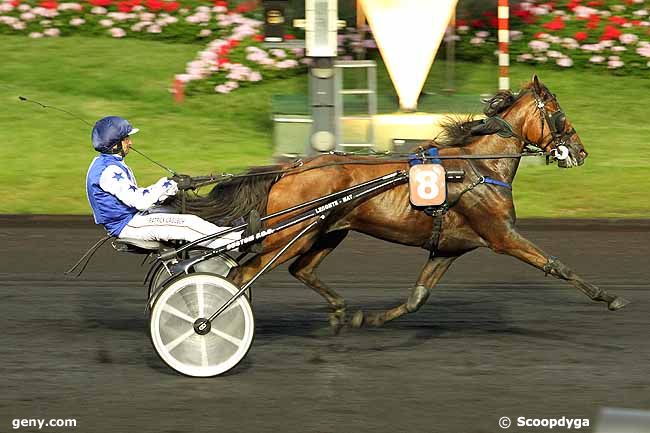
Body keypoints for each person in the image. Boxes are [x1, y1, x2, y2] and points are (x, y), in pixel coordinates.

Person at [85, 116, 257, 250]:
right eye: (126, 139)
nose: (130, 142)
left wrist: (170, 185)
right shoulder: (109, 171)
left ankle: (236, 227)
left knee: (188, 210)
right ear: (115, 145)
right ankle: (241, 240)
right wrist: (169, 186)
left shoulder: (106, 164)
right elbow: (140, 201)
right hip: (128, 224)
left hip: (132, 218)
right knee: (188, 224)